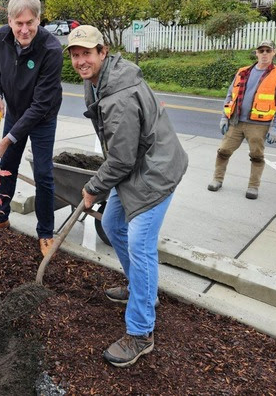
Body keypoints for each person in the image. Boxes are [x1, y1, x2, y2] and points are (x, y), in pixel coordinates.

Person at [66, 25, 188, 367]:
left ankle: (140, 333)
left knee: (140, 244)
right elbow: (122, 154)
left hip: (156, 172)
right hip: (137, 167)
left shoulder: (119, 94)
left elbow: (120, 158)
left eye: (86, 53)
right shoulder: (97, 82)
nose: (80, 61)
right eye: (75, 55)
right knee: (114, 222)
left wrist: (92, 187)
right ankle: (141, 288)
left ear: (103, 52)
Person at [0, 0, 63, 256]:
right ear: (9, 21)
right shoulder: (1, 38)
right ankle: (0, 216)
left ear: (39, 20)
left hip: (42, 118)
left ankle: (45, 233)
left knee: (43, 174)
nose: (24, 29)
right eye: (19, 23)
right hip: (15, 112)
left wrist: (8, 140)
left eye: (30, 22)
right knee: (7, 166)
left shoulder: (51, 50)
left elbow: (41, 105)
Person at [207, 39, 276, 199]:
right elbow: (230, 95)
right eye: (261, 50)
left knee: (257, 156)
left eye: (268, 50)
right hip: (236, 121)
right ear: (256, 53)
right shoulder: (243, 72)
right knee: (223, 151)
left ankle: (253, 187)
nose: (264, 53)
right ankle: (217, 179)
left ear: (274, 52)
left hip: (259, 125)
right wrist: (224, 117)